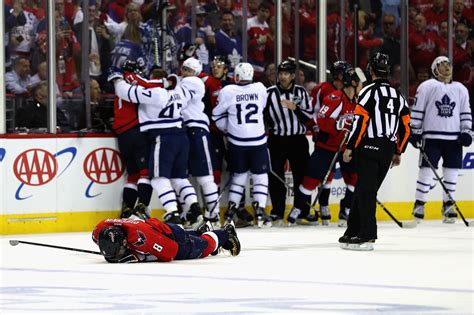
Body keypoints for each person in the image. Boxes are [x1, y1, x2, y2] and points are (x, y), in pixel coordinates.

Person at [108, 64, 199, 225]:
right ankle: (195, 210)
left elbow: (126, 92)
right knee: (180, 178)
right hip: (181, 136)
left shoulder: (155, 93)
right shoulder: (181, 91)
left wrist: (117, 78)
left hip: (162, 137)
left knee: (156, 178)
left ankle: (172, 212)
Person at [339, 53, 411, 251]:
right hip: (387, 149)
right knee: (364, 190)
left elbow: (360, 122)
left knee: (366, 191)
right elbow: (406, 127)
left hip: (369, 146)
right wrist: (398, 151)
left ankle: (367, 235)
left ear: (371, 70)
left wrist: (350, 146)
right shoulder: (398, 95)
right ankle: (352, 231)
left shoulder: (368, 92)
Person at [287, 64, 359, 226]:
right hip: (327, 145)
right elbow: (319, 116)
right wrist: (336, 126)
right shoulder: (332, 96)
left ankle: (345, 208)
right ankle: (298, 208)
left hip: (346, 147)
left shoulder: (358, 100)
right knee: (312, 179)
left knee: (355, 178)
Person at [410, 56, 472, 224]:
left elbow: (465, 113)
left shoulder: (461, 89)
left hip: (454, 139)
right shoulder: (427, 86)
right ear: (435, 70)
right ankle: (419, 204)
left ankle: (448, 205)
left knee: (451, 172)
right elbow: (418, 110)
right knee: (426, 171)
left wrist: (467, 131)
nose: (447, 67)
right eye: (442, 64)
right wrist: (415, 130)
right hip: (431, 137)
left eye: (448, 64)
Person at [212, 62, 269, 227]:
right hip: (258, 140)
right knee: (260, 176)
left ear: (236, 76)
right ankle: (260, 211)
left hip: (237, 141)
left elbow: (216, 115)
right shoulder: (260, 88)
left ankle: (231, 211)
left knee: (239, 176)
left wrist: (228, 128)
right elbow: (262, 107)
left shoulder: (228, 91)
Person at [109, 60, 162, 220]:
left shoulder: (119, 82)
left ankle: (127, 209)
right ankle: (142, 206)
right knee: (145, 172)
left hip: (122, 135)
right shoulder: (130, 79)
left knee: (132, 175)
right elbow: (149, 89)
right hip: (135, 130)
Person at [265, 59, 313, 226]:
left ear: (293, 76)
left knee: (302, 176)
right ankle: (277, 212)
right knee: (276, 177)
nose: (282, 77)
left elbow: (310, 118)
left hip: (298, 140)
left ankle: (303, 210)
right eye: (281, 73)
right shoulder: (269, 93)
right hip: (277, 140)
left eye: (286, 74)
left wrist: (296, 108)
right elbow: (262, 116)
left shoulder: (301, 93)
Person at [178, 57, 219, 228]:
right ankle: (189, 214)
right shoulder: (183, 81)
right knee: (182, 176)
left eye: (188, 70)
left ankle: (215, 216)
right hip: (186, 131)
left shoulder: (193, 82)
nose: (185, 72)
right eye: (184, 69)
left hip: (197, 131)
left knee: (205, 177)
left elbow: (179, 97)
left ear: (195, 73)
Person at [92, 218, 240, 263]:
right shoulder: (99, 231)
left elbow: (171, 252)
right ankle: (201, 231)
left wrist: (141, 257)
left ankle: (226, 233)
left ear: (125, 241)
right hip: (158, 229)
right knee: (193, 238)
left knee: (203, 248)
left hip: (172, 237)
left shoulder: (143, 238)